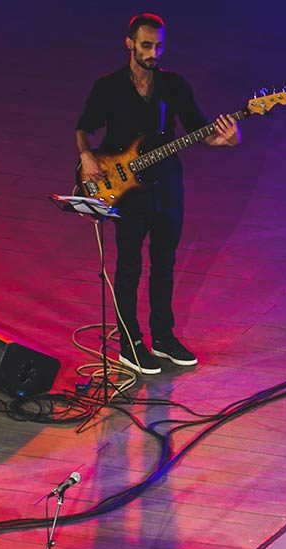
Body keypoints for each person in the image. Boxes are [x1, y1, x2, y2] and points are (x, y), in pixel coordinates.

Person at [75, 12, 240, 375]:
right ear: (130, 43)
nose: (153, 53)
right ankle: (129, 342)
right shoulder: (108, 87)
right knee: (130, 266)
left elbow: (203, 131)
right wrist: (87, 156)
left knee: (165, 264)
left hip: (167, 188)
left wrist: (227, 139)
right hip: (126, 190)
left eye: (159, 46)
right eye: (147, 45)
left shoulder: (174, 86)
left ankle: (163, 337)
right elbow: (84, 128)